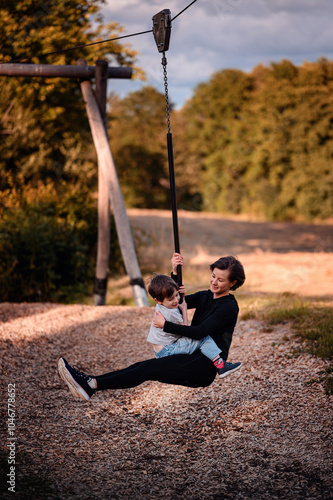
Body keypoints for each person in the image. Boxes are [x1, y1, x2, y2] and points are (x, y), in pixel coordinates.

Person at [58, 252, 245, 402]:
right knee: (144, 366)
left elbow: (200, 332)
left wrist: (166, 326)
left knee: (147, 369)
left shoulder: (228, 307)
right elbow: (174, 300)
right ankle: (90, 384)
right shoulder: (207, 295)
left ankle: (90, 384)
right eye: (213, 276)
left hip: (203, 367)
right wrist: (174, 272)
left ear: (232, 283)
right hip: (191, 355)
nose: (214, 282)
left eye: (220, 280)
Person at [146, 273, 241, 378]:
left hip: (159, 351)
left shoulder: (161, 303)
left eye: (177, 295)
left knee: (198, 337)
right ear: (158, 300)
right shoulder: (172, 313)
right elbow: (184, 330)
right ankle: (221, 366)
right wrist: (184, 308)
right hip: (168, 351)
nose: (176, 301)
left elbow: (168, 292)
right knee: (203, 338)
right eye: (171, 299)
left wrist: (175, 272)